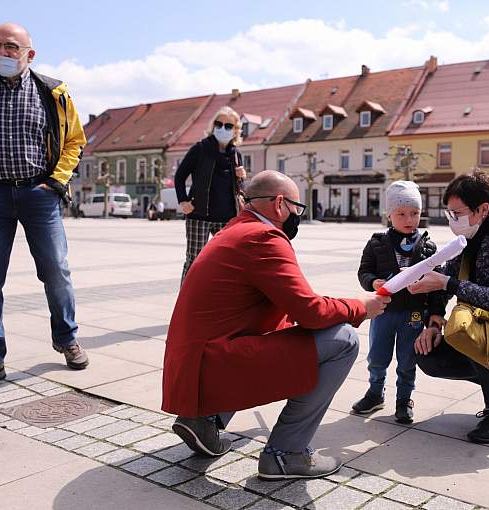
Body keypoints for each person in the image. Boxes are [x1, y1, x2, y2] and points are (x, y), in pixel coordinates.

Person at [162, 170, 390, 480]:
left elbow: (294, 305)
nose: (298, 216)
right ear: (280, 204)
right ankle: (285, 454)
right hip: (212, 365)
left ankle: (203, 419)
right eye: (298, 208)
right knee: (343, 340)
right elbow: (309, 312)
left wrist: (332, 307)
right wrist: (360, 307)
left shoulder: (235, 231)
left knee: (302, 331)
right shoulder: (264, 238)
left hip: (193, 368)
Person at [0, 23, 88, 394]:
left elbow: (74, 141)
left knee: (56, 270)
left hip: (39, 195)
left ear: (29, 54)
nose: (3, 53)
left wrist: (55, 183)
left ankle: (66, 337)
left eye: (11, 47)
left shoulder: (53, 92)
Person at [407, 171, 489, 444]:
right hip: (487, 330)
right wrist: (434, 323)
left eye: (457, 214)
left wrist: (450, 284)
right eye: (449, 214)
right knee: (428, 354)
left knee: (471, 329)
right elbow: (444, 276)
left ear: (483, 209)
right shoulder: (468, 238)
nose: (452, 222)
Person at [353, 181, 437, 424]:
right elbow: (364, 271)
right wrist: (372, 283)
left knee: (407, 359)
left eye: (415, 213)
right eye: (401, 214)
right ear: (389, 214)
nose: (409, 219)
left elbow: (436, 284)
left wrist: (434, 313)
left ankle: (404, 398)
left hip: (413, 314)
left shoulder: (428, 246)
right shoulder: (377, 243)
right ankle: (375, 392)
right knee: (377, 356)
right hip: (383, 312)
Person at [174, 107, 246, 282]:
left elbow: (237, 189)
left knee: (227, 260)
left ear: (236, 130)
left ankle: (217, 299)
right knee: (194, 260)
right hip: (199, 215)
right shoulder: (200, 149)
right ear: (212, 126)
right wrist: (183, 201)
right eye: (218, 124)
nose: (222, 128)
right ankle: (187, 300)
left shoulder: (235, 155)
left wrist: (241, 178)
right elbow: (180, 176)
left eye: (228, 126)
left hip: (227, 217)